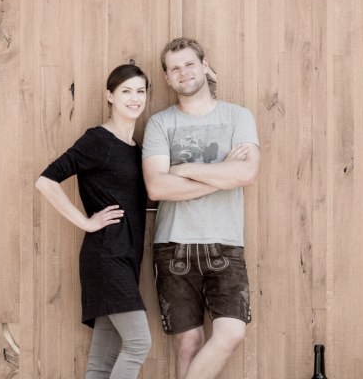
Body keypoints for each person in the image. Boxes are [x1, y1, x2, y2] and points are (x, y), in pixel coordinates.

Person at [142, 38, 261, 379]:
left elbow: (246, 173)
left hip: (226, 244)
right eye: (175, 68)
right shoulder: (160, 124)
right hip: (173, 245)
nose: (184, 72)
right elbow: (157, 187)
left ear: (204, 65)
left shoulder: (238, 117)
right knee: (189, 343)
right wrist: (222, 175)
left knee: (232, 333)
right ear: (167, 77)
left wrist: (182, 169)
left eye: (189, 64)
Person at [36, 64, 152, 379]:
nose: (135, 98)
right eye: (126, 91)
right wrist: (86, 223)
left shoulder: (136, 149)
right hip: (106, 257)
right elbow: (46, 181)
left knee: (102, 362)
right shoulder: (98, 140)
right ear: (110, 96)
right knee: (138, 344)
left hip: (126, 258)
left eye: (140, 91)